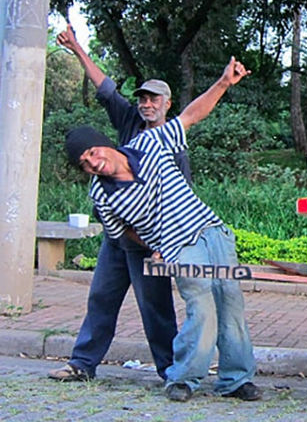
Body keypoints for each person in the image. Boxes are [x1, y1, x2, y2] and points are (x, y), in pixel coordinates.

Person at [64, 56, 260, 402]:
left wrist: (224, 82)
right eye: (85, 164)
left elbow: (192, 115)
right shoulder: (101, 194)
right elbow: (121, 233)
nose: (94, 163)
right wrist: (155, 245)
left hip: (212, 231)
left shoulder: (150, 144)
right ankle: (182, 378)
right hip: (178, 246)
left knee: (230, 301)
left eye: (93, 153)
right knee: (202, 304)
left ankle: (235, 379)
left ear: (105, 144)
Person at [48, 24, 180, 382]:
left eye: (154, 99)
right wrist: (76, 46)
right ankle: (82, 363)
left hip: (149, 242)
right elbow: (104, 86)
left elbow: (180, 200)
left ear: (168, 104)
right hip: (116, 237)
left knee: (156, 308)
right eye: (143, 99)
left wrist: (165, 246)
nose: (147, 104)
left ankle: (171, 371)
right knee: (102, 298)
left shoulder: (174, 145)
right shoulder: (128, 121)